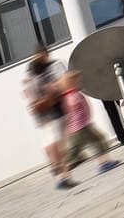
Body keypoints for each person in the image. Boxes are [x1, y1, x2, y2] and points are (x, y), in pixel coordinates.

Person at [56, 71, 116, 184]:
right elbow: (73, 110)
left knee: (98, 140)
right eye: (76, 80)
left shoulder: (72, 94)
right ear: (70, 83)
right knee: (73, 156)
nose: (79, 81)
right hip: (79, 129)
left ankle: (104, 163)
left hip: (82, 127)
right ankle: (63, 178)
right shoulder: (71, 96)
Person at [23, 47, 68, 188]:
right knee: (56, 141)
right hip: (52, 112)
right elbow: (55, 89)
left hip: (40, 114)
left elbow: (27, 94)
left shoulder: (30, 75)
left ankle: (56, 166)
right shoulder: (46, 71)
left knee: (48, 140)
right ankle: (60, 170)